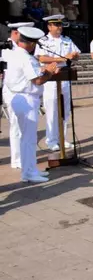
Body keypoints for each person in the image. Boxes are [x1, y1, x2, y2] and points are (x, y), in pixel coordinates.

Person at [6, 27, 59, 182]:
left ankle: (31, 169)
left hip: (20, 97)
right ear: (29, 43)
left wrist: (43, 70)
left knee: (27, 138)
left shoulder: (17, 54)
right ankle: (28, 173)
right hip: (26, 98)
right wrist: (49, 71)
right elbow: (37, 80)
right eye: (34, 43)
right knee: (28, 139)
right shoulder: (26, 58)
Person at [36, 14, 80, 151]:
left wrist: (74, 56)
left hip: (65, 77)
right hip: (51, 78)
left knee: (65, 111)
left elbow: (76, 54)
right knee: (52, 110)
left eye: (60, 24)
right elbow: (41, 58)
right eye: (56, 25)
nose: (59, 27)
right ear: (49, 26)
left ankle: (63, 138)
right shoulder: (43, 41)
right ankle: (51, 140)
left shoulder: (66, 39)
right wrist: (63, 59)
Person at [2, 22, 34, 171]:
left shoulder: (25, 49)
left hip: (26, 89)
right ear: (15, 33)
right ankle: (17, 159)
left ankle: (25, 157)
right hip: (12, 91)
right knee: (15, 125)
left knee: (25, 128)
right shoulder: (5, 48)